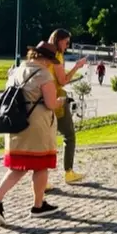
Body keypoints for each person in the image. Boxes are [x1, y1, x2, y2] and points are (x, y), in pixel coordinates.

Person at [0, 41, 65, 225]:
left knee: (19, 166)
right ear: (45, 59)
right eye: (51, 60)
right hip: (36, 125)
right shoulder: (43, 74)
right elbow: (51, 103)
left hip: (17, 122)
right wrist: (61, 101)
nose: (51, 64)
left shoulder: (17, 71)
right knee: (41, 164)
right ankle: (37, 206)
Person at [47, 29, 88, 186]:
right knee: (69, 136)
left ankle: (41, 181)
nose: (67, 45)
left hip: (44, 101)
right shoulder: (57, 57)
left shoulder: (46, 55)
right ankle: (68, 172)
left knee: (46, 140)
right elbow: (63, 81)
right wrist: (77, 67)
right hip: (57, 101)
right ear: (59, 41)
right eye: (66, 42)